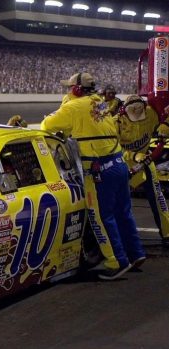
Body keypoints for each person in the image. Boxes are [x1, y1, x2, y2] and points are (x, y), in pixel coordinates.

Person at [41, 72, 146, 280]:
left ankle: (117, 262)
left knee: (101, 217)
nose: (68, 91)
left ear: (77, 89)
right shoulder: (100, 102)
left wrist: (66, 104)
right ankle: (135, 254)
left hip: (99, 170)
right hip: (118, 163)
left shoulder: (73, 107)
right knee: (123, 213)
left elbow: (47, 126)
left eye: (70, 88)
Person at [114, 94, 169, 246]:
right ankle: (121, 239)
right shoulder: (115, 123)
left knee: (158, 199)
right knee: (121, 204)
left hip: (146, 162)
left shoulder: (151, 113)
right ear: (124, 111)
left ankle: (167, 234)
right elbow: (112, 149)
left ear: (145, 108)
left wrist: (166, 124)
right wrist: (133, 155)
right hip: (124, 166)